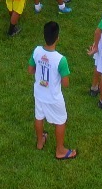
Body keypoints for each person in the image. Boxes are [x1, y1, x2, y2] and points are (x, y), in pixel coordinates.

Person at [29, 20, 74, 158]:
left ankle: (40, 142)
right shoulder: (61, 60)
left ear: (44, 36)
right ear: (57, 38)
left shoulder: (37, 51)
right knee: (61, 120)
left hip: (39, 93)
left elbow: (30, 70)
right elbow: (65, 83)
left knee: (39, 116)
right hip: (53, 97)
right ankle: (60, 150)